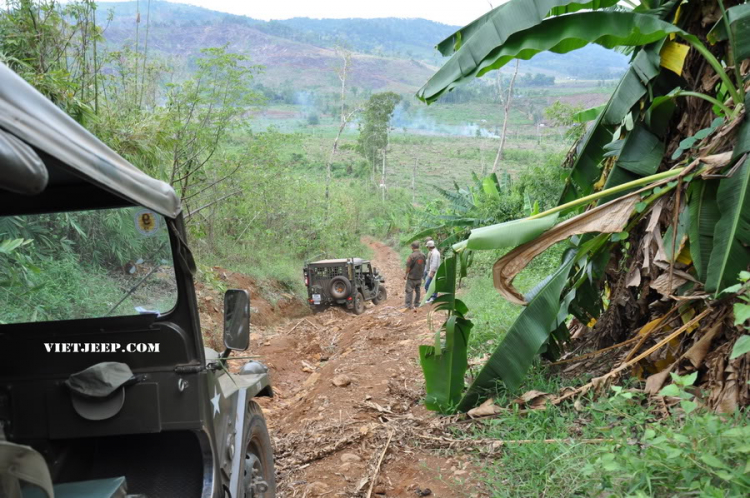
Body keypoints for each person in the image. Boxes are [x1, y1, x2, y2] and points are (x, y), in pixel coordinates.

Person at [402, 242, 426, 311]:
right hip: (419, 277)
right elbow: (424, 265)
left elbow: (408, 267)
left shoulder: (412, 256)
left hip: (412, 277)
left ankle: (408, 305)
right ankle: (417, 303)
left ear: (412, 247)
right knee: (418, 290)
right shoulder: (423, 255)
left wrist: (405, 274)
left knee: (409, 290)